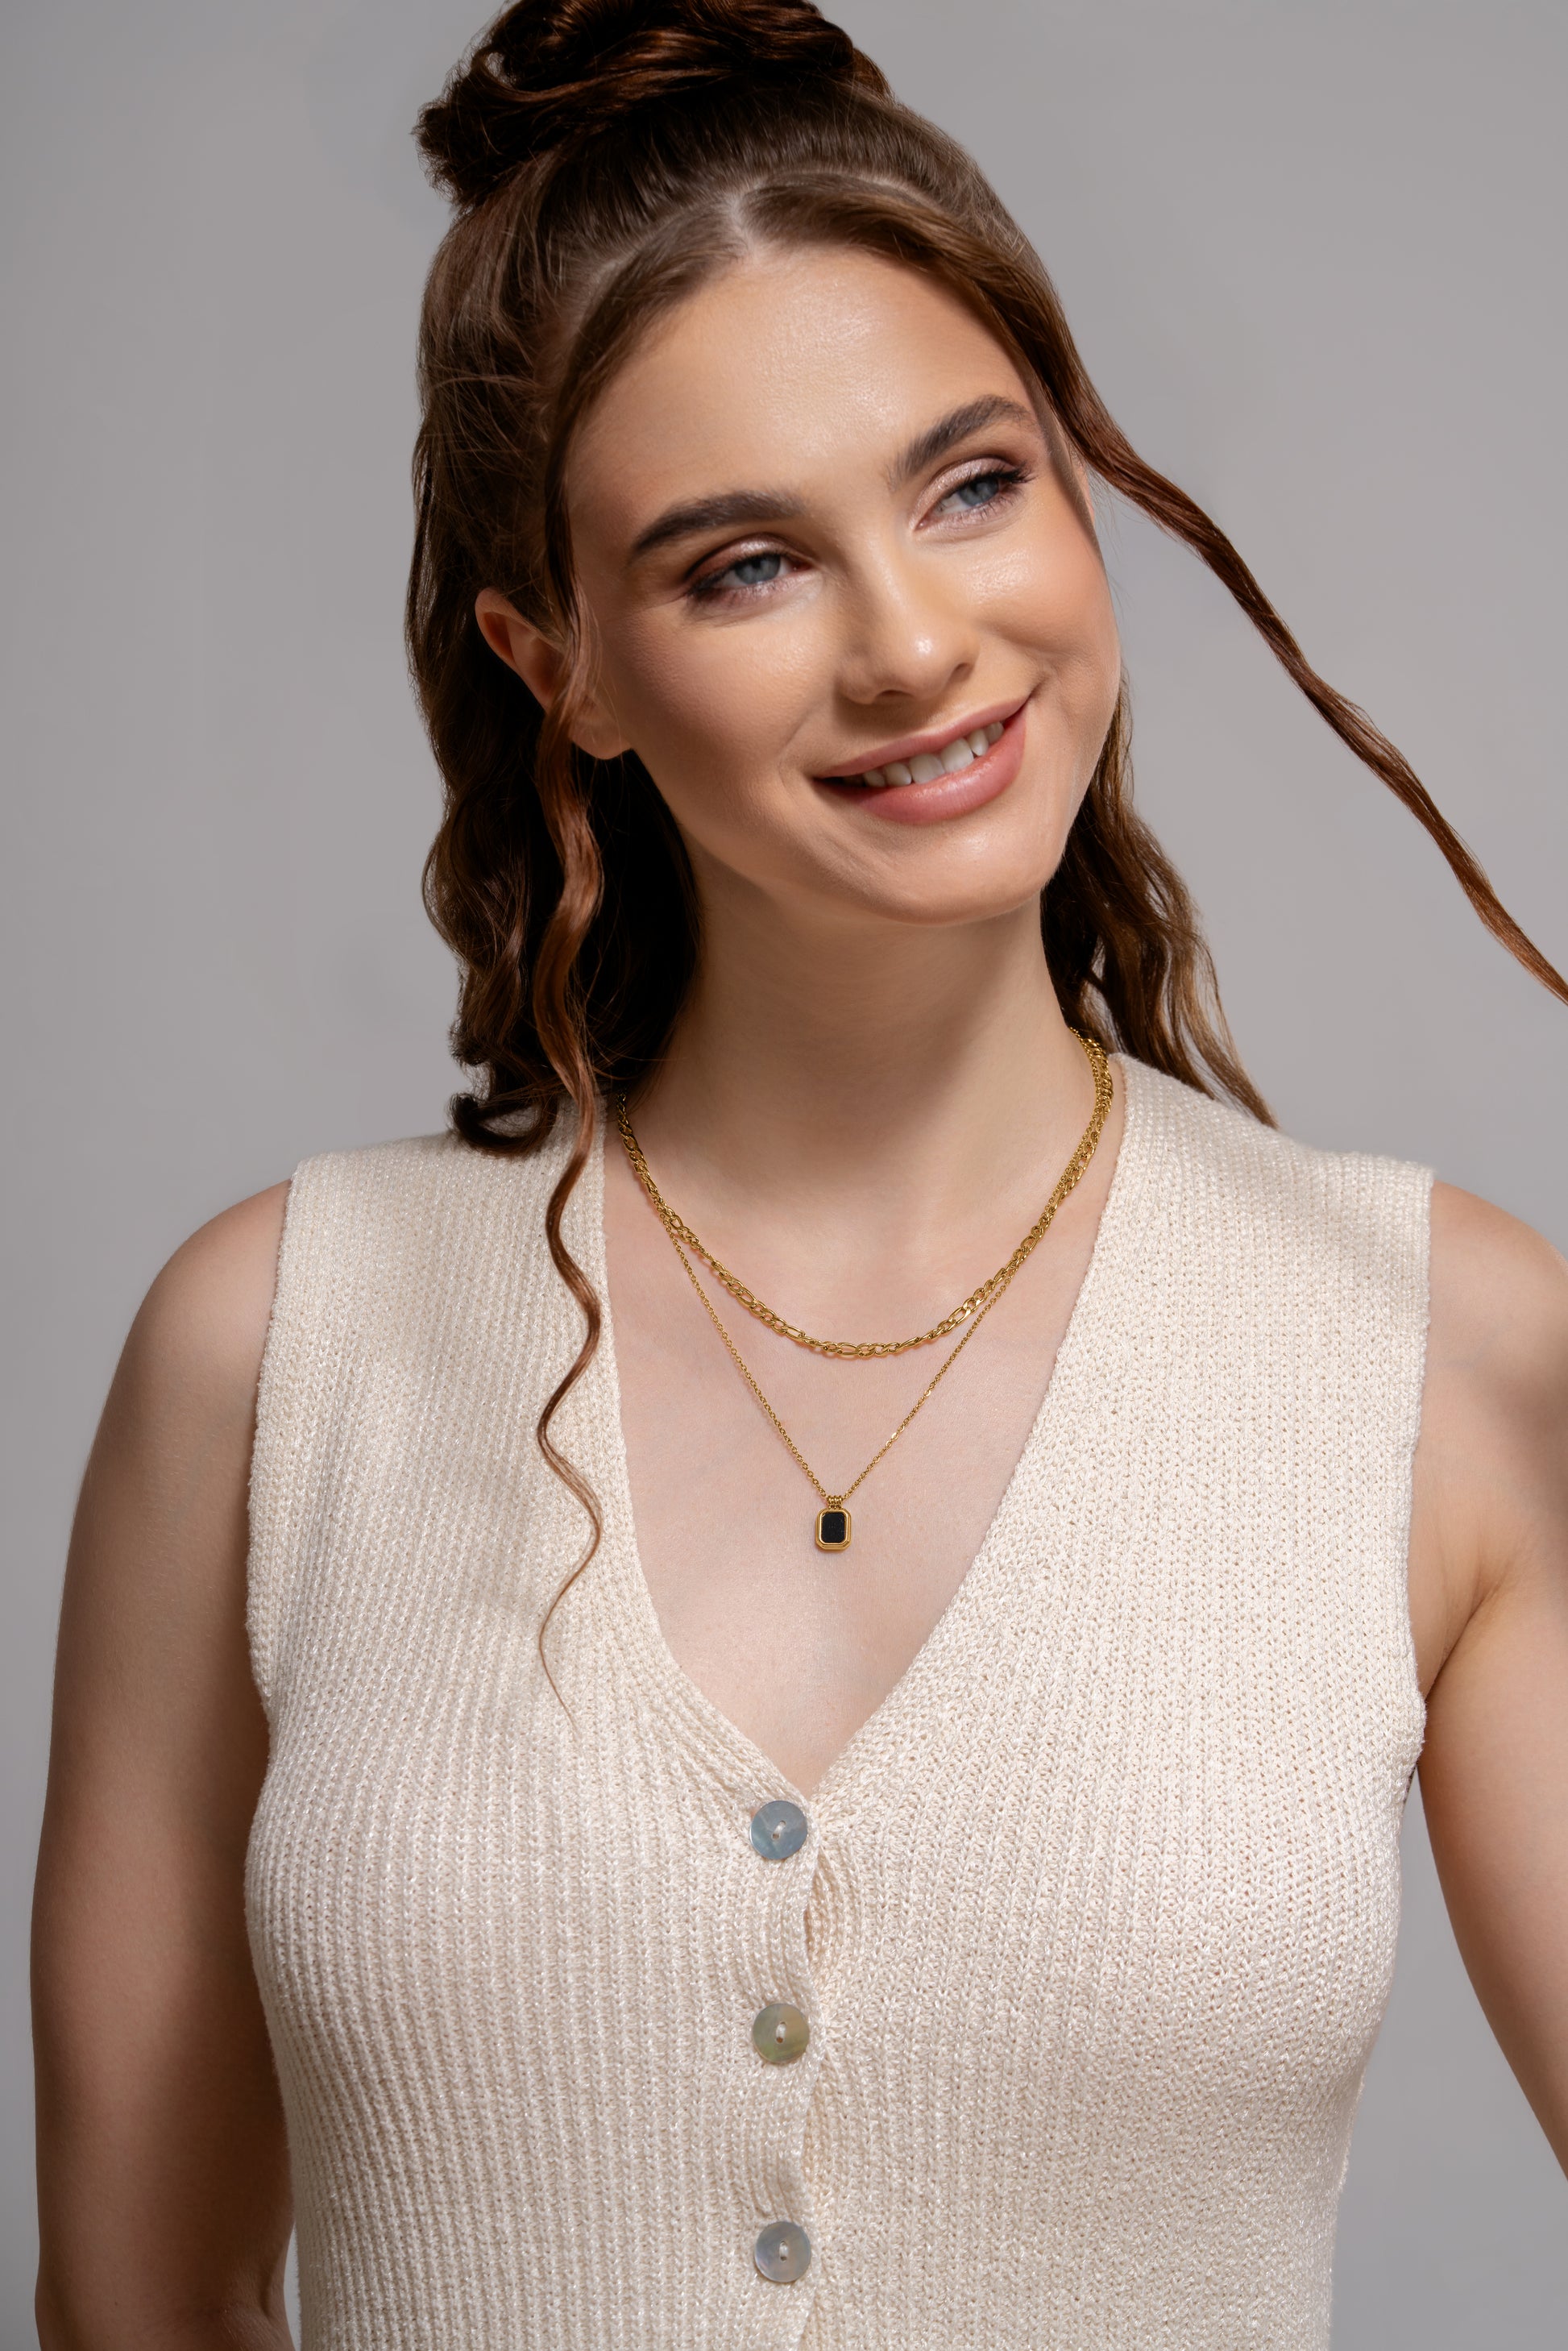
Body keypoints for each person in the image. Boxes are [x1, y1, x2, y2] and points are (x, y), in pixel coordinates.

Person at [31, 2, 1568, 2345]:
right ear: (561, 666)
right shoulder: (274, 1351)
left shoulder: (1436, 1353)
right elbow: (137, 2304)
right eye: (744, 566)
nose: (916, 640)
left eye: (974, 484)